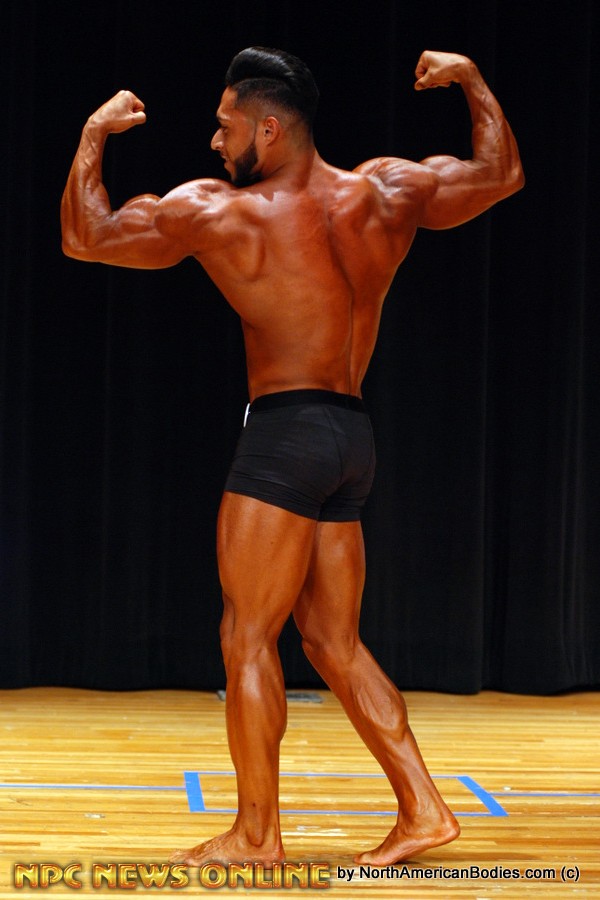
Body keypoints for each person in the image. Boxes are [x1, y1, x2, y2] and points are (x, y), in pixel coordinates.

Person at [61, 46, 523, 867]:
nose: (215, 141)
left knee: (246, 637)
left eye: (225, 126)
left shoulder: (223, 213)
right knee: (333, 642)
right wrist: (472, 81)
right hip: (350, 435)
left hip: (285, 438)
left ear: (268, 130)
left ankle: (256, 835)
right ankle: (424, 809)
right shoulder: (387, 192)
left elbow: (85, 237)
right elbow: (500, 175)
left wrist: (94, 135)